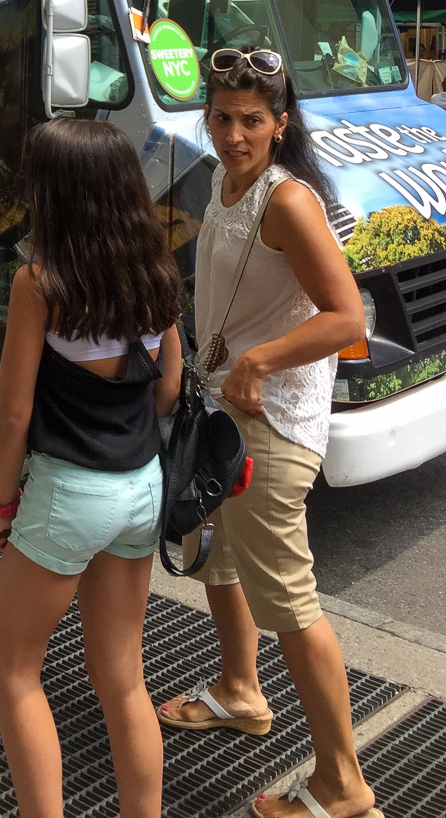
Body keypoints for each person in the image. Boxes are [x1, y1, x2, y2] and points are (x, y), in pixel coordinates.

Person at [157, 49, 381, 818]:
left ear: (280, 124)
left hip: (271, 428)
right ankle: (239, 690)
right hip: (221, 417)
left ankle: (341, 784)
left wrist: (259, 361)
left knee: (288, 603)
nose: (233, 135)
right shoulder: (224, 184)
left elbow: (346, 318)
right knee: (216, 558)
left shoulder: (286, 201)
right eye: (221, 118)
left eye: (251, 121)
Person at [0, 120, 183, 818]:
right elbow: (167, 389)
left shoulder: (40, 283)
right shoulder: (156, 273)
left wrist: (2, 503)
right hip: (142, 486)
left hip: (69, 493)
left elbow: (11, 413)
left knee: (13, 669)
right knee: (123, 679)